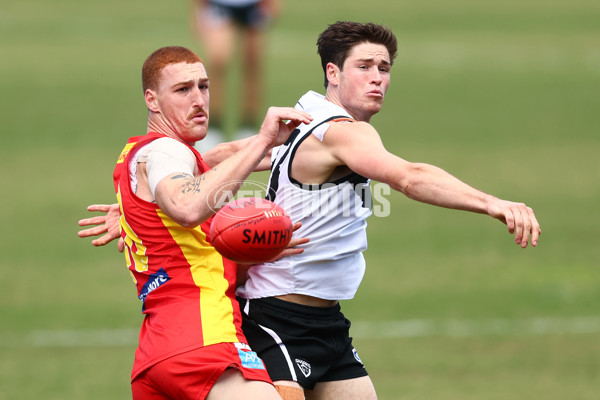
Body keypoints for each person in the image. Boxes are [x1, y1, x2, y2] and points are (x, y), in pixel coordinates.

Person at [79, 22, 541, 400]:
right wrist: (493, 203)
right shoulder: (341, 132)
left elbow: (216, 160)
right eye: (365, 66)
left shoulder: (302, 121)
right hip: (273, 319)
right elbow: (409, 176)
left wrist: (140, 208)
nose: (378, 76)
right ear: (333, 73)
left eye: (384, 67)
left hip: (327, 322)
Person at [83, 45, 312, 400]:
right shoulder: (164, 151)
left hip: (157, 355)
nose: (199, 100)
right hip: (204, 343)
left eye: (203, 87)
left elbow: (215, 165)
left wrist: (258, 248)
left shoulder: (142, 155)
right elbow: (188, 205)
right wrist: (264, 139)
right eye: (182, 89)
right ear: (152, 100)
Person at [190, 0, 281, 151]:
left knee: (252, 63)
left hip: (254, 5)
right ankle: (212, 126)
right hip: (220, 5)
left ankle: (248, 126)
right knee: (218, 60)